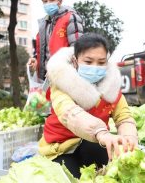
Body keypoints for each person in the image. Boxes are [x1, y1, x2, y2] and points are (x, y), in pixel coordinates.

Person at [38, 33, 138, 178]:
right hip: (60, 146)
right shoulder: (61, 84)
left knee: (110, 168)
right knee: (69, 178)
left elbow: (124, 117)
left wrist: (129, 137)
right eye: (88, 61)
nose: (95, 67)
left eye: (101, 62)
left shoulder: (111, 88)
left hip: (92, 142)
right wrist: (101, 132)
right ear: (75, 60)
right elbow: (69, 113)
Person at [27, 0, 84, 80]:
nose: (48, 3)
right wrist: (35, 60)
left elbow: (77, 49)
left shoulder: (71, 17)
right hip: (45, 77)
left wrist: (59, 69)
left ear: (59, 2)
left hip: (64, 76)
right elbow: (42, 51)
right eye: (45, 1)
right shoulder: (43, 24)